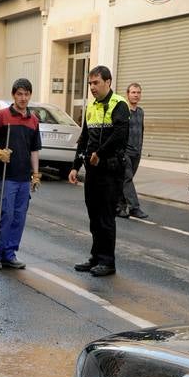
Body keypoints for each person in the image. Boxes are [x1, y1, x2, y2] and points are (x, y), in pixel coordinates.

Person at [68, 65, 129, 277]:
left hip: (111, 170)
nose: (92, 87)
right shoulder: (92, 107)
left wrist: (100, 153)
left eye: (96, 83)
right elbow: (84, 138)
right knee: (94, 216)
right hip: (92, 170)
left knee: (105, 216)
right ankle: (95, 257)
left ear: (108, 82)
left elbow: (120, 135)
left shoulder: (119, 104)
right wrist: (75, 166)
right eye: (90, 83)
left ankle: (107, 261)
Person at [0, 78, 42, 270]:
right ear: (13, 95)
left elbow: (34, 150)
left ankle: (10, 254)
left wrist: (36, 174)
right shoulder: (2, 116)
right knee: (5, 215)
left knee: (19, 218)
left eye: (26, 94)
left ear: (30, 95)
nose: (23, 98)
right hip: (7, 176)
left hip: (24, 178)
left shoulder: (33, 121)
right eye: (19, 94)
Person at [117, 82, 148, 220]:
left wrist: (140, 148)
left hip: (137, 152)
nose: (136, 95)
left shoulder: (140, 112)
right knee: (127, 178)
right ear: (127, 94)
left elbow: (141, 130)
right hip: (125, 151)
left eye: (138, 92)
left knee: (125, 180)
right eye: (133, 92)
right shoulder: (124, 111)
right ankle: (135, 208)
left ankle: (120, 207)